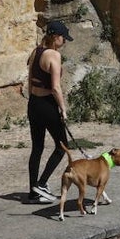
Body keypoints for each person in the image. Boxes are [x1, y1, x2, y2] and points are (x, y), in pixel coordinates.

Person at [21, 19, 73, 203]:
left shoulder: (36, 51)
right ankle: (41, 184)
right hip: (47, 105)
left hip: (34, 103)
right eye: (63, 38)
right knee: (62, 147)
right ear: (55, 37)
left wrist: (33, 100)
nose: (65, 42)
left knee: (37, 148)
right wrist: (63, 109)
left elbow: (30, 79)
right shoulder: (53, 55)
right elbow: (56, 87)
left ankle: (33, 191)